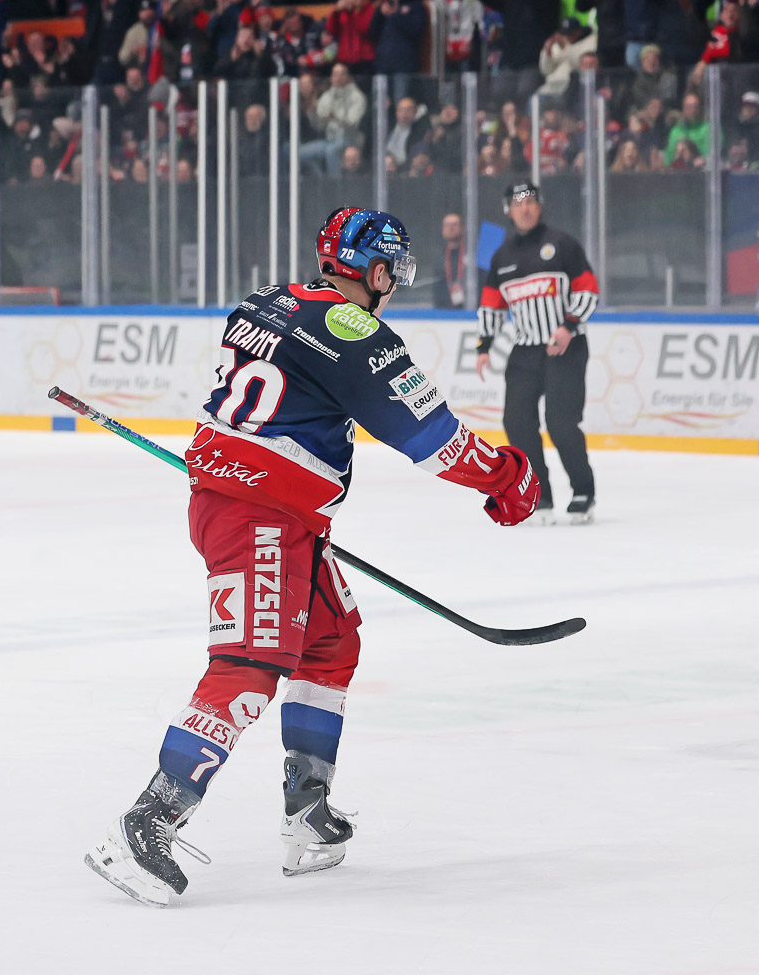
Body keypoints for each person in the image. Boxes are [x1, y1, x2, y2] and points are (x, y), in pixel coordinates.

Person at [85, 208, 540, 907]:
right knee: (250, 660)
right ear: (375, 270)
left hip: (261, 504)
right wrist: (508, 477)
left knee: (329, 643)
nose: (394, 284)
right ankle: (148, 821)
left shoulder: (268, 299)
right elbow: (437, 443)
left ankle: (307, 811)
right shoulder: (358, 336)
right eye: (392, 270)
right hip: (258, 516)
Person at [475, 183, 598, 524]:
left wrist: (569, 326)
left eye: (530, 202)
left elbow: (588, 289)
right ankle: (539, 495)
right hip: (525, 350)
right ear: (508, 211)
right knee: (516, 422)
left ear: (540, 207)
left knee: (561, 422)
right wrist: (484, 346)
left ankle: (583, 491)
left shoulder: (562, 244)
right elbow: (491, 305)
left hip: (565, 347)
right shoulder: (502, 257)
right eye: (518, 204)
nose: (525, 209)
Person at [433, 212, 466, 309]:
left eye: (454, 225)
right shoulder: (439, 259)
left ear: (462, 228)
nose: (450, 228)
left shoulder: (472, 257)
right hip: (444, 311)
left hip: (468, 309)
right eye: (447, 225)